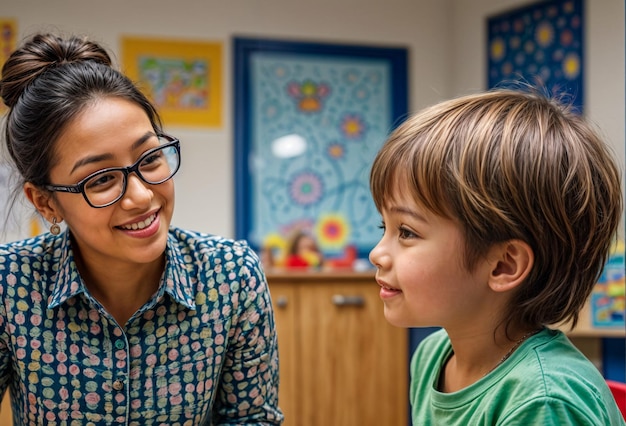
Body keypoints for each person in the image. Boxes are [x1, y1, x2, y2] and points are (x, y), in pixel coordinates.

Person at [0, 33, 283, 425]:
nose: (140, 196)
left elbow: (251, 419)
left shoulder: (230, 275)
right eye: (100, 180)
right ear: (46, 202)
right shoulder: (9, 283)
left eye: (149, 158)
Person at [368, 88, 625, 425]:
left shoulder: (543, 401)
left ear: (504, 265)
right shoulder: (433, 356)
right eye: (382, 227)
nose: (377, 254)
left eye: (406, 232)